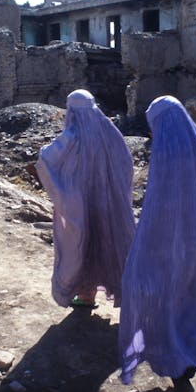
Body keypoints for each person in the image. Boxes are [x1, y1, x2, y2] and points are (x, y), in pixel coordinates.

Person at [118, 95, 196, 392]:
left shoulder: (169, 150)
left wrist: (145, 243)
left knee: (153, 297)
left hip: (169, 243)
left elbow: (158, 205)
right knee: (191, 305)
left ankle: (179, 365)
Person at [35, 89, 136, 309]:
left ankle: (85, 294)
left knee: (82, 246)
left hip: (80, 205)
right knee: (109, 244)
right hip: (109, 205)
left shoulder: (72, 135)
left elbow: (46, 159)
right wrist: (118, 192)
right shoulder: (110, 133)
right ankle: (123, 295)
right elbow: (126, 164)